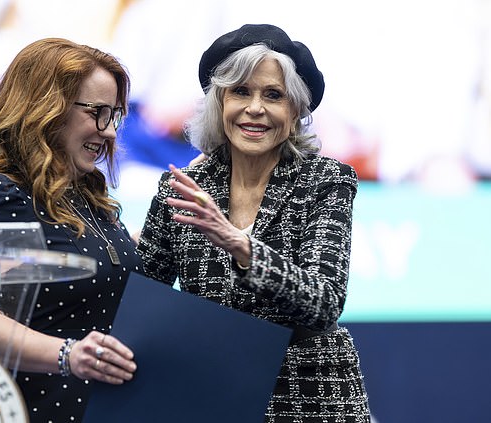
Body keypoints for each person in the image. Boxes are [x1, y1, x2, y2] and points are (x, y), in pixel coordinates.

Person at [137, 24, 371, 422]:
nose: (255, 108)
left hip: (309, 395)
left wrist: (238, 243)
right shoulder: (184, 186)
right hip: (212, 393)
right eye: (241, 92)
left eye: (273, 95)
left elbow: (323, 302)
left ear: (295, 112)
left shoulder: (326, 180)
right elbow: (141, 294)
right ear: (219, 103)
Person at [0, 37, 140, 423]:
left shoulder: (86, 195)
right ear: (46, 109)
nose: (110, 132)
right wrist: (69, 355)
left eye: (114, 115)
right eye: (97, 113)